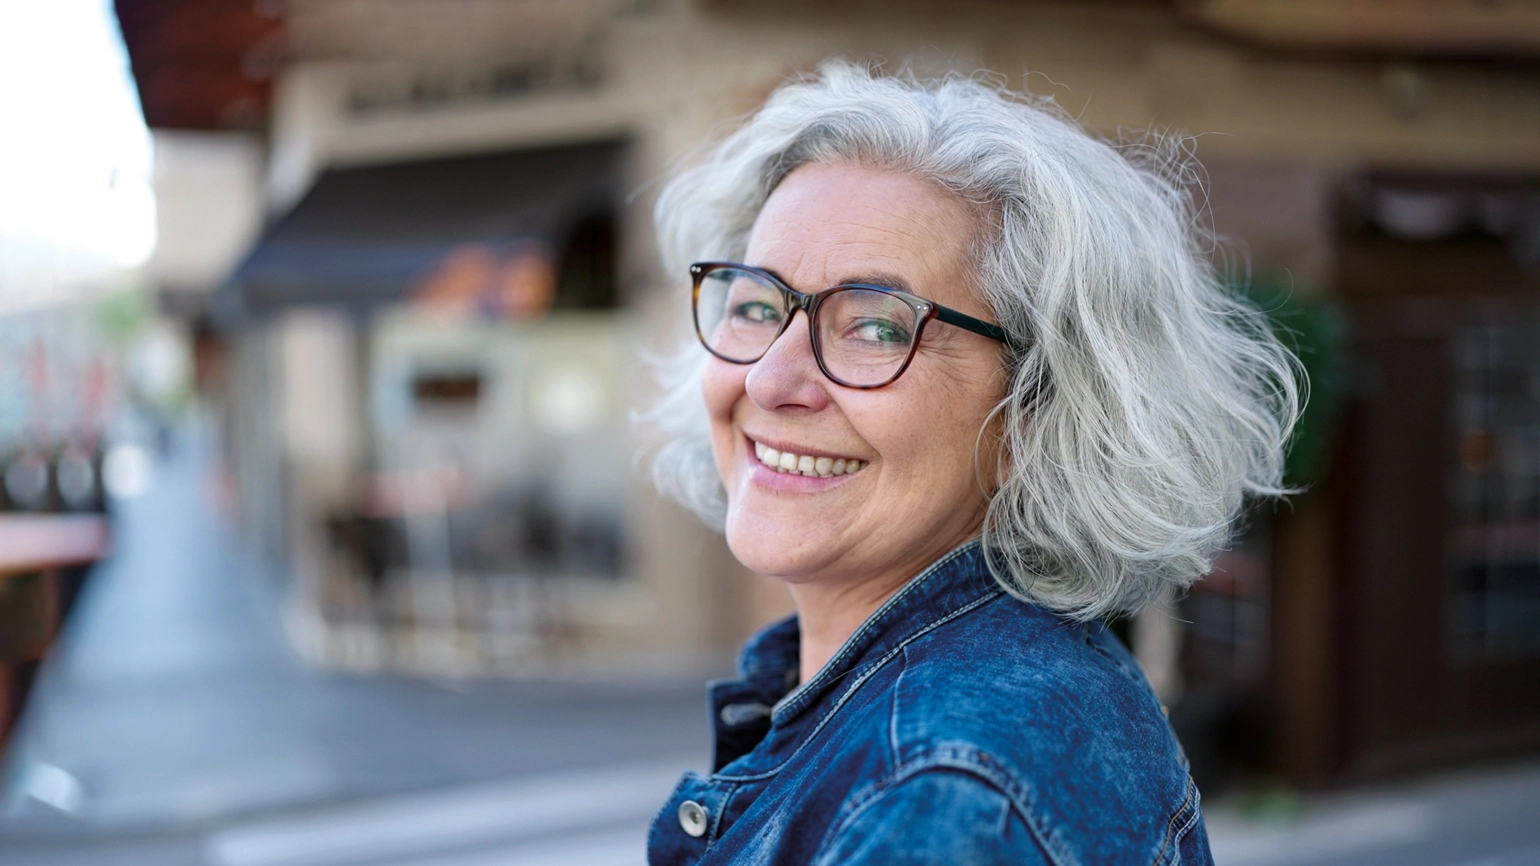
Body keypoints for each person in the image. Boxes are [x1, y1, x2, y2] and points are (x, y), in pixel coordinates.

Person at [641, 60, 1299, 866]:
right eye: (755, 305)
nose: (770, 380)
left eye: (876, 327)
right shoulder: (977, 709)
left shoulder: (940, 794)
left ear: (1034, 412)